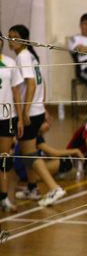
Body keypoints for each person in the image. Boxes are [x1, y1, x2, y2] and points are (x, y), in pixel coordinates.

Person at [8, 25, 66, 207]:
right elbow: (43, 83)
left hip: (30, 113)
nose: (11, 41)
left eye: (15, 37)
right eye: (9, 37)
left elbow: (32, 84)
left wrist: (24, 111)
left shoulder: (23, 56)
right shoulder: (31, 55)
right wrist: (42, 105)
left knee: (29, 153)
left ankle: (54, 188)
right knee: (28, 152)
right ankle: (33, 188)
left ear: (24, 40)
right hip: (37, 109)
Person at [13, 119, 84, 200]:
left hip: (22, 170)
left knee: (50, 159)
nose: (48, 125)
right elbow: (54, 153)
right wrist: (76, 151)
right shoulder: (35, 136)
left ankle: (38, 182)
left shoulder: (29, 134)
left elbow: (49, 154)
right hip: (26, 171)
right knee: (66, 161)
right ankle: (53, 179)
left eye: (48, 123)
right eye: (44, 123)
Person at [0, 30, 24, 212]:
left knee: (4, 158)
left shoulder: (10, 63)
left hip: (6, 117)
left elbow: (16, 92)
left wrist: (20, 118)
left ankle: (4, 198)